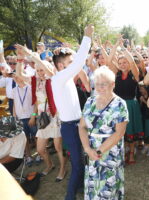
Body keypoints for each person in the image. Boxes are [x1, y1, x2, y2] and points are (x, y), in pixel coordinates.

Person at [51, 25, 93, 200]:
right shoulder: (59, 78)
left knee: (82, 161)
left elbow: (77, 64)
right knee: (77, 164)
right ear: (61, 66)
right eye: (69, 63)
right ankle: (70, 196)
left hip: (78, 124)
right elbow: (79, 63)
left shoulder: (64, 78)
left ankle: (82, 189)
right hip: (70, 127)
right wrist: (87, 37)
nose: (73, 66)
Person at [15, 44, 66, 181]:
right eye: (38, 71)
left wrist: (29, 53)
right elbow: (19, 74)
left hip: (55, 117)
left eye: (42, 70)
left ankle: (62, 169)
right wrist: (20, 59)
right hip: (43, 119)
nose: (41, 73)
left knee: (58, 146)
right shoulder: (35, 81)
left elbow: (47, 69)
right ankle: (50, 165)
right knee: (41, 148)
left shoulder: (53, 79)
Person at [79, 66, 128, 200]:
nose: (99, 87)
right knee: (93, 184)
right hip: (91, 150)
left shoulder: (120, 104)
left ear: (113, 84)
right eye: (96, 84)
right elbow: (82, 127)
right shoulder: (89, 101)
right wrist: (88, 149)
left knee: (108, 187)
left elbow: (119, 133)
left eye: (103, 84)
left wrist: (99, 151)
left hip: (109, 152)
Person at [108, 36, 143, 164]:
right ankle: (122, 152)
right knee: (119, 132)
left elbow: (133, 62)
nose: (123, 64)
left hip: (131, 105)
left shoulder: (134, 73)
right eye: (121, 62)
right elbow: (109, 59)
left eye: (125, 62)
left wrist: (123, 48)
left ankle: (132, 153)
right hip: (117, 105)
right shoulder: (115, 73)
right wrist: (116, 44)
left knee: (131, 130)